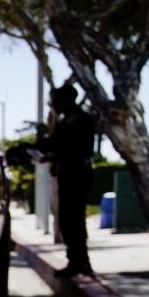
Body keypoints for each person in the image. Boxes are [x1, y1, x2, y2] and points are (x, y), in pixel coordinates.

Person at [40, 80, 96, 277]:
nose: (52, 104)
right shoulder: (64, 122)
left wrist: (56, 152)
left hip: (78, 174)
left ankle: (81, 262)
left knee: (75, 219)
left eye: (55, 100)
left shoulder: (83, 120)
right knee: (66, 219)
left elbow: (78, 148)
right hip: (67, 174)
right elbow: (56, 146)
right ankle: (75, 260)